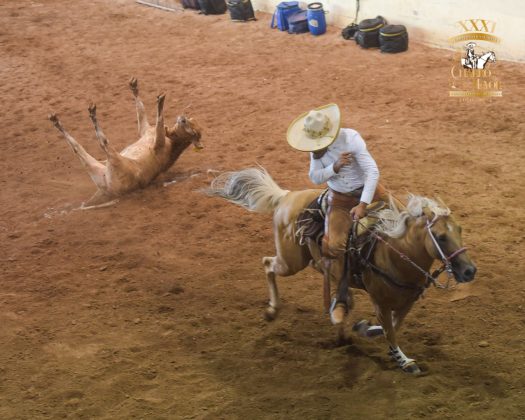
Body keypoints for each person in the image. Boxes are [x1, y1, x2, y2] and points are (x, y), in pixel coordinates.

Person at [287, 104, 383, 325]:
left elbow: (372, 172)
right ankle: (340, 298)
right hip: (339, 199)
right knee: (334, 245)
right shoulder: (317, 151)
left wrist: (363, 203)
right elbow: (315, 177)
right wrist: (335, 167)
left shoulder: (351, 139)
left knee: (404, 218)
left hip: (370, 192)